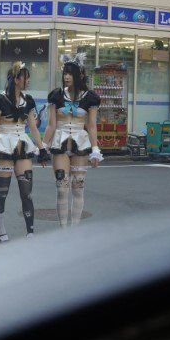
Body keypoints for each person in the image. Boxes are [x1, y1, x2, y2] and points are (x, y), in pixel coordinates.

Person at [0, 62, 50, 243]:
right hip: (4, 147)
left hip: (22, 145)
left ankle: (30, 233)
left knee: (26, 192)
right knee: (2, 193)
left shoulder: (28, 100)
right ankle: (0, 229)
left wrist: (42, 149)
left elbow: (33, 128)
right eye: (26, 77)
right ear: (16, 79)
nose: (28, 81)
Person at [44, 59, 102, 228]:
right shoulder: (56, 95)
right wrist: (41, 145)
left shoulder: (90, 98)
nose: (66, 77)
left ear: (79, 75)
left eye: (70, 74)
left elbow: (91, 126)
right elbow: (51, 124)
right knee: (62, 188)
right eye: (65, 73)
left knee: (78, 188)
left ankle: (74, 231)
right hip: (60, 143)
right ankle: (64, 231)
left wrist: (95, 150)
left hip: (81, 145)